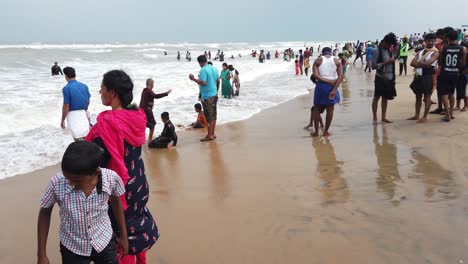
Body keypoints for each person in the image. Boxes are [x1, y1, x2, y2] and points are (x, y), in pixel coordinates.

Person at [86, 70, 160, 263]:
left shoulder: (108, 123)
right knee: (136, 225)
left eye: (102, 88)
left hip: (120, 187)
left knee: (121, 235)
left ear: (112, 92)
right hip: (139, 182)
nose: (100, 92)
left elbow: (95, 157)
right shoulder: (137, 116)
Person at [37, 141, 128, 264]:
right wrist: (41, 254)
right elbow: (44, 214)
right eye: (67, 178)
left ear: (96, 173)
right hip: (72, 246)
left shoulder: (111, 178)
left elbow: (116, 203)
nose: (70, 183)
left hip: (104, 240)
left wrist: (124, 236)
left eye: (76, 180)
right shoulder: (56, 183)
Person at [311, 47, 343, 137]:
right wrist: (334, 89)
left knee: (317, 108)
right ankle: (326, 131)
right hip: (332, 85)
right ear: (331, 53)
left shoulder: (318, 60)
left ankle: (316, 132)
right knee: (330, 109)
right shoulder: (336, 61)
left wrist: (326, 81)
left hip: (321, 86)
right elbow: (340, 76)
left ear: (322, 53)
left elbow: (315, 75)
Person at [408, 33, 439, 123]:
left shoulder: (436, 52)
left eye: (432, 41)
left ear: (435, 41)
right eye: (428, 40)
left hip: (428, 77)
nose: (430, 42)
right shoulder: (421, 51)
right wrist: (424, 64)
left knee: (427, 98)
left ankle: (424, 117)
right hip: (418, 76)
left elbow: (428, 63)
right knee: (417, 97)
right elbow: (412, 63)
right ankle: (417, 115)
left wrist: (421, 64)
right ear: (425, 41)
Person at [437, 30, 467, 122]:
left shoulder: (443, 48)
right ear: (457, 38)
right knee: (452, 93)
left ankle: (447, 114)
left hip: (445, 73)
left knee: (444, 94)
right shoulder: (463, 49)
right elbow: (463, 63)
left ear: (447, 38)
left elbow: (440, 62)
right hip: (455, 73)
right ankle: (451, 113)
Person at [189, 55, 220, 142]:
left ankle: (209, 135)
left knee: (208, 117)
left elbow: (203, 82)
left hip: (207, 96)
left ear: (200, 62)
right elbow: (218, 81)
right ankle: (212, 134)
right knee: (213, 115)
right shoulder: (213, 68)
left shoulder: (203, 70)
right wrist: (216, 91)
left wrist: (193, 79)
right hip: (214, 95)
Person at [372, 33, 398, 124]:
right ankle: (375, 118)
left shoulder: (389, 50)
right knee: (376, 98)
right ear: (384, 42)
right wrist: (387, 62)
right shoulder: (376, 51)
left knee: (385, 98)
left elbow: (396, 47)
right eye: (389, 44)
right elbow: (373, 66)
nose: (390, 46)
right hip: (380, 77)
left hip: (389, 78)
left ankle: (383, 117)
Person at [61, 67, 91, 141]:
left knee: (76, 138)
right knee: (86, 136)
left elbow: (66, 105)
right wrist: (85, 110)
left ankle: (80, 152)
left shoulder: (66, 88)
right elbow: (88, 101)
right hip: (83, 113)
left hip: (72, 115)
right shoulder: (84, 86)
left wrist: (62, 120)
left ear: (66, 76)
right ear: (75, 75)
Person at [139, 78, 172, 143]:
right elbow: (156, 96)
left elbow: (141, 102)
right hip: (147, 110)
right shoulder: (148, 90)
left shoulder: (144, 91)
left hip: (142, 110)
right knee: (152, 124)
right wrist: (166, 93)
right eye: (153, 84)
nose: (153, 85)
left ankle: (142, 139)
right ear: (150, 84)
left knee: (144, 124)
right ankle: (150, 139)